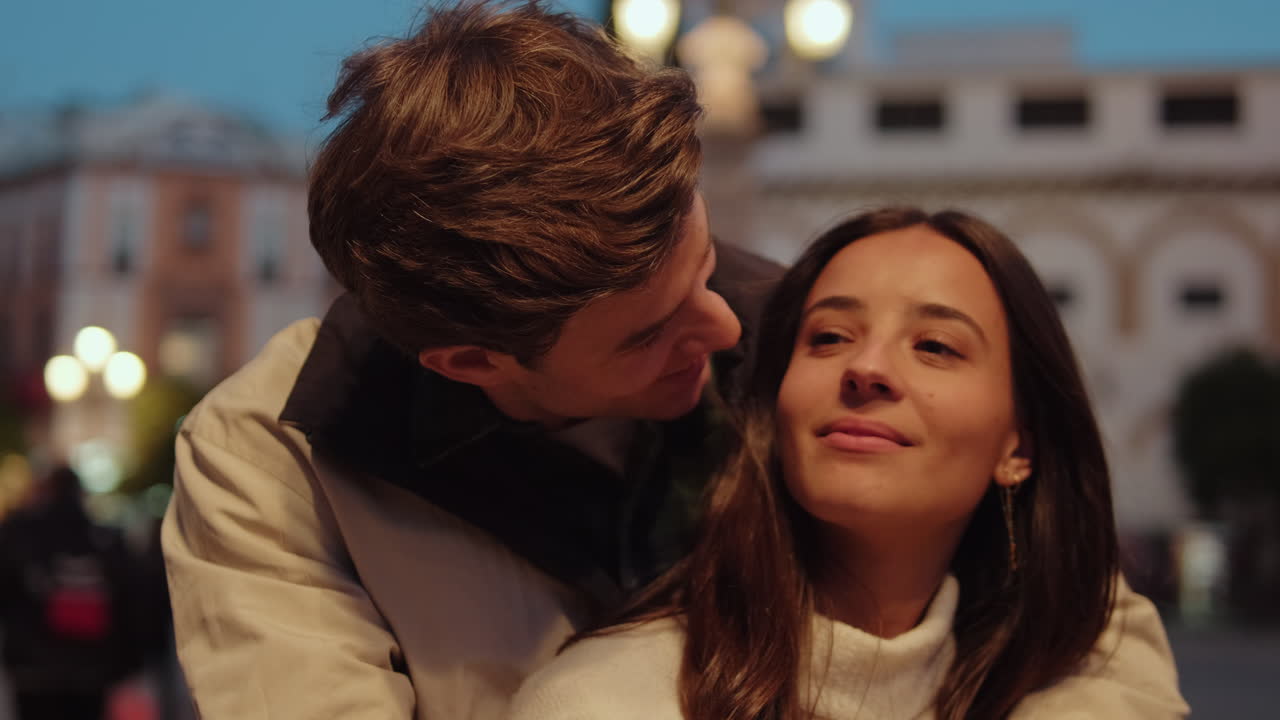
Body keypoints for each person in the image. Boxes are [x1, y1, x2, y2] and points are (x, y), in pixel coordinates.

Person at [163, 3, 1178, 718]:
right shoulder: (272, 457)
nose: (729, 330)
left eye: (704, 263)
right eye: (648, 334)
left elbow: (1075, 608)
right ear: (472, 360)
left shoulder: (803, 338)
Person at [508, 208, 1191, 719]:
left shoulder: (1077, 681)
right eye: (829, 337)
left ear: (1019, 448)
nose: (867, 369)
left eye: (936, 346)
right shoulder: (612, 700)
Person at [0, 466, 145, 720]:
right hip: (91, 668)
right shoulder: (104, 539)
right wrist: (127, 663)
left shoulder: (20, 534)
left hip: (33, 669)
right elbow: (131, 603)